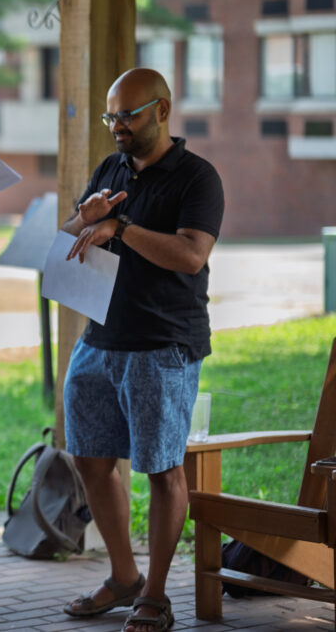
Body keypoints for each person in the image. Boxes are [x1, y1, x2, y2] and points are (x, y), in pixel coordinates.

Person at [59, 68, 224, 632]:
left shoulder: (198, 178)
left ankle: (155, 594)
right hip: (99, 338)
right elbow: (74, 234)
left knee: (160, 468)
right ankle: (123, 575)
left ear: (162, 110)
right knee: (89, 456)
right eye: (110, 116)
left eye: (127, 115)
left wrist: (121, 228)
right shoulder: (111, 168)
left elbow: (190, 255)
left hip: (162, 345)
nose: (117, 127)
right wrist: (81, 220)